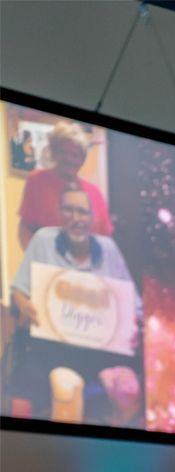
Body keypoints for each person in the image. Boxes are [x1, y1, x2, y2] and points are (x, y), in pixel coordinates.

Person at [8, 187, 141, 422]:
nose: (76, 218)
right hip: (51, 349)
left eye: (82, 212)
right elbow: (18, 290)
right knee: (63, 390)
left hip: (101, 351)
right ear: (59, 213)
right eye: (69, 210)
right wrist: (24, 304)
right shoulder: (43, 240)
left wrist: (134, 324)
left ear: (92, 218)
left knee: (127, 390)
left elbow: (134, 307)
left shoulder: (108, 250)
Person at [18, 118, 112, 247]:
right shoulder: (37, 181)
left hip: (85, 264)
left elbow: (105, 238)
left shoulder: (94, 192)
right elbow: (26, 227)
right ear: (53, 153)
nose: (69, 159)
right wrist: (35, 259)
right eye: (63, 152)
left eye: (75, 155)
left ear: (82, 159)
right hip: (47, 264)